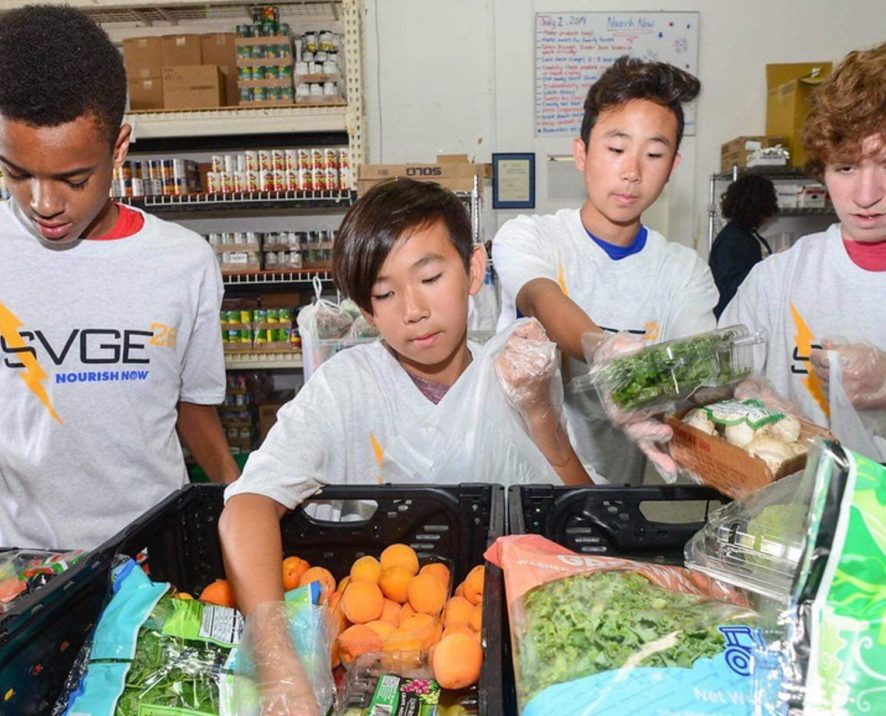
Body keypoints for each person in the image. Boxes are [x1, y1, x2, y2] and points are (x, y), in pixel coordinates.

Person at [219, 178, 589, 711]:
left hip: (499, 645)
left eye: (431, 277)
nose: (412, 309)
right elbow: (246, 508)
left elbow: (582, 521)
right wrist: (278, 666)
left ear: (475, 270)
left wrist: (541, 417)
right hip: (374, 652)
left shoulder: (514, 372)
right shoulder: (346, 387)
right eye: (385, 294)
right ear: (366, 312)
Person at [0, 6, 239, 550]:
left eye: (74, 179)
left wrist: (235, 497)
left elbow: (192, 406)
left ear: (120, 148)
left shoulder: (184, 262)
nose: (43, 203)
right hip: (22, 565)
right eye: (17, 173)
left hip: (152, 552)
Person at [492, 56, 718, 484]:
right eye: (616, 149)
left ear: (672, 167)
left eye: (653, 154)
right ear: (581, 153)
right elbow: (541, 297)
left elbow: (694, 371)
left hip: (616, 496)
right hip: (521, 486)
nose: (631, 172)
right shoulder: (529, 237)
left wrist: (724, 395)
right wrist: (601, 350)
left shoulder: (682, 271)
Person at [720, 41, 886, 459]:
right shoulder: (778, 280)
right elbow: (716, 381)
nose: (867, 195)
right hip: (792, 513)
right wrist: (740, 398)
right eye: (845, 167)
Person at [709, 174, 778, 318]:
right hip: (735, 320)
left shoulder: (750, 236)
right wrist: (773, 265)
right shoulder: (733, 240)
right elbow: (729, 288)